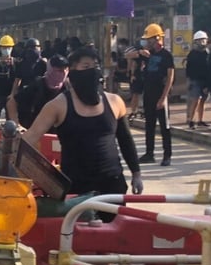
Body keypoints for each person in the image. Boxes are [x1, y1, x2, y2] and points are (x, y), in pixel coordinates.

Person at [23, 47, 143, 201]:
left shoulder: (115, 102)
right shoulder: (58, 106)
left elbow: (126, 140)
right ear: (73, 71)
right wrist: (5, 157)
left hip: (112, 185)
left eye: (95, 67)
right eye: (86, 67)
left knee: (112, 225)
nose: (92, 71)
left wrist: (136, 173)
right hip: (76, 189)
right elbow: (32, 136)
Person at [138, 23, 174, 166]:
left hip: (161, 94)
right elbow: (128, 54)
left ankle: (167, 155)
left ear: (158, 38)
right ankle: (149, 153)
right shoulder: (148, 54)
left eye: (150, 39)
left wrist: (163, 98)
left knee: (165, 127)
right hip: (148, 94)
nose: (148, 42)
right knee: (149, 125)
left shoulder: (166, 56)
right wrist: (140, 53)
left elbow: (170, 77)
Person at [8, 54, 69, 131]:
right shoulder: (37, 86)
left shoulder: (69, 88)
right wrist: (16, 125)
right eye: (59, 70)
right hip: (35, 133)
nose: (64, 73)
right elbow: (11, 102)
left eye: (66, 70)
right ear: (50, 70)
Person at [185, 31, 211, 129]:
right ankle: (191, 120)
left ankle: (200, 120)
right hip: (195, 80)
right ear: (195, 41)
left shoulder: (208, 53)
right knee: (195, 99)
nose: (202, 42)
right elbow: (188, 68)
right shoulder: (192, 54)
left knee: (203, 100)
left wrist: (208, 83)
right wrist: (189, 80)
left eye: (204, 40)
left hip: (205, 80)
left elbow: (209, 68)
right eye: (200, 40)